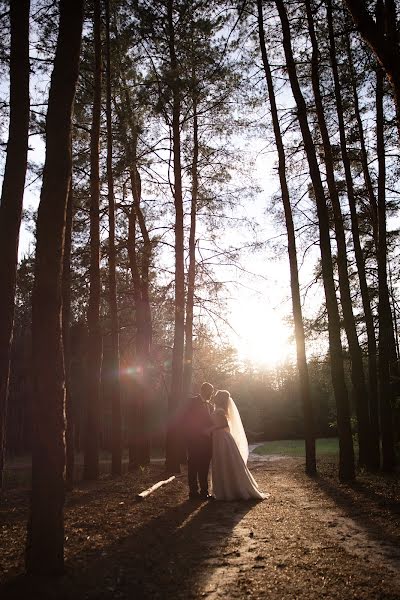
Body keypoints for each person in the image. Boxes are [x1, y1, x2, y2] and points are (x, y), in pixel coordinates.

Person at [209, 389, 266, 501]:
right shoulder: (220, 410)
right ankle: (226, 489)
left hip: (221, 438)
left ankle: (228, 490)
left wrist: (210, 429)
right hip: (220, 438)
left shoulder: (219, 411)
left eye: (216, 395)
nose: (214, 397)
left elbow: (224, 424)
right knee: (224, 463)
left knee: (224, 462)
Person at [183, 381, 214, 500]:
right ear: (203, 390)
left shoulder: (210, 406)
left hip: (207, 443)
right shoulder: (191, 402)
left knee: (205, 467)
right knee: (193, 467)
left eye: (211, 392)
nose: (211, 394)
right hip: (194, 441)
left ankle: (204, 492)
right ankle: (193, 493)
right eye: (209, 392)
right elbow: (187, 421)